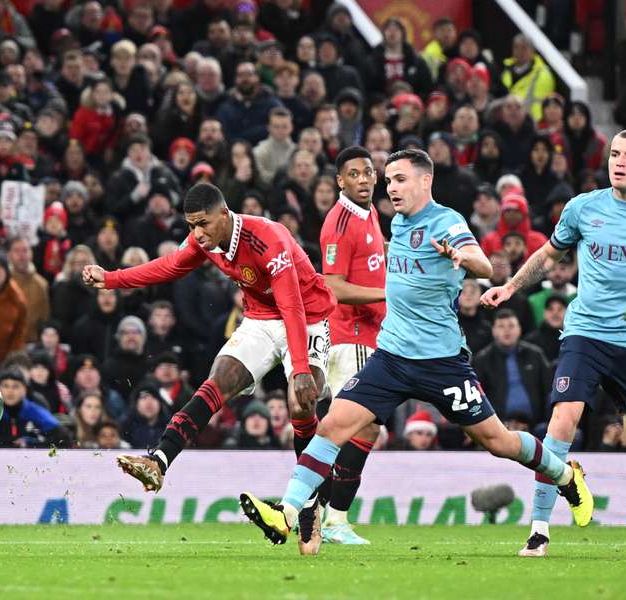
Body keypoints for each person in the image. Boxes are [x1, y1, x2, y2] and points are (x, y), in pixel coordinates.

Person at [239, 148, 593, 547]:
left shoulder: (446, 221)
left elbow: (482, 264)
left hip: (441, 363)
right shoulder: (399, 223)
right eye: (388, 180)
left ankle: (564, 474)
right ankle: (286, 512)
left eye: (400, 179)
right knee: (333, 426)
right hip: (390, 357)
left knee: (498, 441)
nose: (390, 187)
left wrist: (461, 255)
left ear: (426, 181)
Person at [481, 129, 626, 558]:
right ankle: (540, 530)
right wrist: (511, 286)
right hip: (585, 332)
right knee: (562, 421)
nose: (619, 162)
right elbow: (550, 255)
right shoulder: (583, 208)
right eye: (615, 154)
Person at [82, 182, 336, 494]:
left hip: (306, 316)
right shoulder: (206, 240)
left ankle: (308, 500)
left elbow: (291, 306)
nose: (198, 233)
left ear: (225, 215)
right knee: (219, 379)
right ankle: (159, 461)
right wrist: (111, 279)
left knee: (302, 402)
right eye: (191, 226)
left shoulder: (269, 240)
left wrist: (298, 369)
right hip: (261, 318)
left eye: (203, 223)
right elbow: (169, 266)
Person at [314, 146, 386, 550]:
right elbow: (334, 286)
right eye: (354, 174)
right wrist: (387, 293)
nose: (363, 179)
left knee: (348, 427)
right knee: (359, 426)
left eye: (368, 172)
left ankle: (317, 507)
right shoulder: (338, 223)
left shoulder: (369, 212)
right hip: (351, 336)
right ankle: (330, 515)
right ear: (339, 181)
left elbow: (375, 255)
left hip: (372, 335)